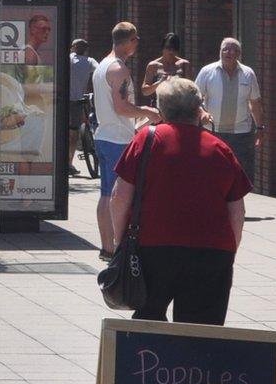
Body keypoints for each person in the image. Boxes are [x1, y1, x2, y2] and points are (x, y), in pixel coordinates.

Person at [107, 77, 249, 324]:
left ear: (161, 109)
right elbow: (237, 210)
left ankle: (151, 363)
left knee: (148, 323)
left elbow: (120, 197)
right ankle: (194, 364)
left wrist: (121, 242)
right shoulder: (220, 149)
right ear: (198, 109)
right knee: (201, 330)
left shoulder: (146, 140)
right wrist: (229, 251)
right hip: (211, 253)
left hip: (152, 249)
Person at [93, 22, 161, 259]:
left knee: (105, 194)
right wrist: (147, 111)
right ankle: (115, 246)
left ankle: (107, 247)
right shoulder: (118, 69)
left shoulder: (102, 65)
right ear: (130, 40)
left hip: (105, 135)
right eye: (136, 40)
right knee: (117, 195)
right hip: (116, 140)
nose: (137, 44)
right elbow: (122, 107)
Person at [195, 38, 264, 188]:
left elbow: (255, 103)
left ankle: (236, 204)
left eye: (233, 49)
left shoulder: (248, 74)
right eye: (225, 49)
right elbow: (195, 99)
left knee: (239, 172)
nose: (228, 52)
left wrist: (259, 128)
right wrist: (202, 113)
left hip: (241, 133)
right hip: (212, 131)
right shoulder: (207, 71)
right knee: (212, 171)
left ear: (239, 54)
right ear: (220, 51)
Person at [68, 39, 98, 173]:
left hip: (65, 100)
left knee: (67, 132)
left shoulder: (68, 58)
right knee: (73, 132)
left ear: (73, 47)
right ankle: (69, 163)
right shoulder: (89, 61)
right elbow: (100, 71)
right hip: (77, 100)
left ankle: (66, 162)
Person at [139, 32, 194, 104]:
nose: (171, 51)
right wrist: (160, 82)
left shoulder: (184, 65)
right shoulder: (153, 66)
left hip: (179, 106)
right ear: (162, 48)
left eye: (174, 48)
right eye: (168, 48)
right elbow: (145, 91)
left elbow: (191, 89)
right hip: (159, 106)